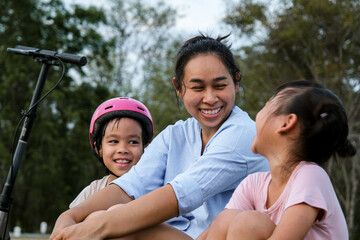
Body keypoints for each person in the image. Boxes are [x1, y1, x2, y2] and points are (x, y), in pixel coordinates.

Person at [49, 33, 269, 240]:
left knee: (108, 221)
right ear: (179, 88)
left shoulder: (242, 134)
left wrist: (95, 228)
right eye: (197, 87)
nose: (210, 98)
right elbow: (130, 186)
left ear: (236, 82)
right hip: (176, 234)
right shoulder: (176, 134)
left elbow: (180, 195)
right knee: (103, 215)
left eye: (220, 86)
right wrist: (69, 217)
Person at [197, 80, 356, 240]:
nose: (257, 115)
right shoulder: (253, 184)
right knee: (226, 219)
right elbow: (213, 233)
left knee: (248, 224)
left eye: (267, 105)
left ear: (286, 123)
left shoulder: (311, 176)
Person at [69, 97, 154, 208]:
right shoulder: (92, 192)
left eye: (133, 142)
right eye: (114, 141)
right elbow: (70, 221)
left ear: (145, 148)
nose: (122, 149)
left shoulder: (154, 191)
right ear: (99, 148)